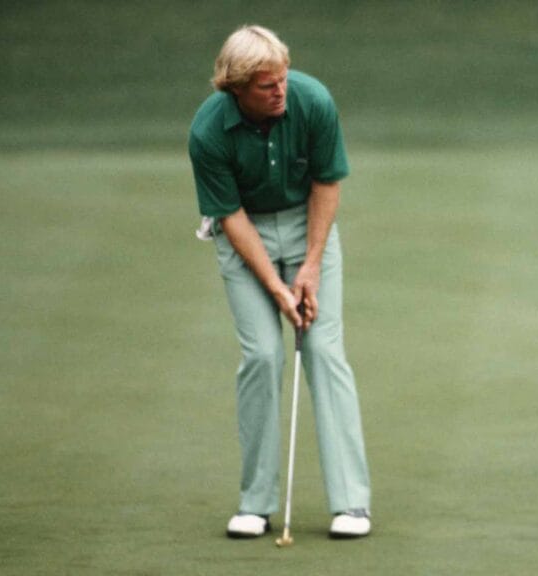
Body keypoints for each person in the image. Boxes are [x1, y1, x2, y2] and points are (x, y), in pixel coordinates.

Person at [188, 25, 371, 539]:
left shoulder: (313, 101)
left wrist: (310, 266)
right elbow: (229, 215)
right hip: (244, 232)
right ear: (236, 88)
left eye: (283, 79)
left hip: (308, 224)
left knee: (323, 350)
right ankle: (255, 504)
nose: (280, 91)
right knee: (263, 355)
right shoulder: (207, 132)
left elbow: (327, 182)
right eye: (267, 86)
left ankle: (352, 504)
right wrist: (275, 286)